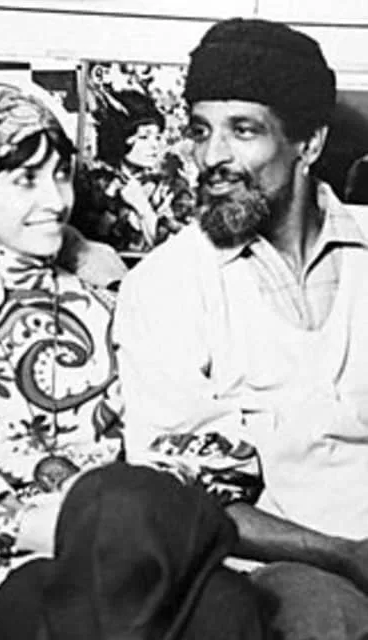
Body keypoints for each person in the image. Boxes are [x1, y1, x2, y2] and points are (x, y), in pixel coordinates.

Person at [0, 72, 267, 640]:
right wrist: (20, 522)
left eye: (59, 175)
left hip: (128, 549)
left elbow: (186, 439)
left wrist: (109, 518)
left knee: (227, 606)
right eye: (25, 180)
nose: (56, 200)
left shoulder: (113, 302)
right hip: (2, 569)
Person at [114, 17, 368, 640]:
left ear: (309, 144)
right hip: (282, 572)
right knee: (325, 619)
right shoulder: (169, 284)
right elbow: (182, 494)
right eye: (201, 131)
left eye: (243, 130)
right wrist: (346, 556)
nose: (212, 158)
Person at [72, 88, 195, 257]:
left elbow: (183, 251)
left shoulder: (172, 186)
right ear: (120, 140)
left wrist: (142, 207)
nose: (154, 145)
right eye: (144, 137)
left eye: (157, 137)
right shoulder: (96, 186)